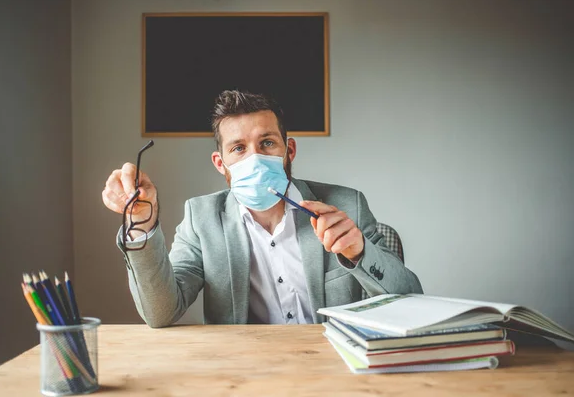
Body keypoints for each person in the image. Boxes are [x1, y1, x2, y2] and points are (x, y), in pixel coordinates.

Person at [102, 90, 423, 327]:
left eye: (267, 142)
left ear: (289, 149)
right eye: (238, 148)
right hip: (246, 374)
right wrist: (142, 224)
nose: (254, 158)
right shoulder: (201, 219)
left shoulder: (346, 204)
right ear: (220, 163)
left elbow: (411, 300)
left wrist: (359, 252)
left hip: (336, 368)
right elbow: (161, 313)